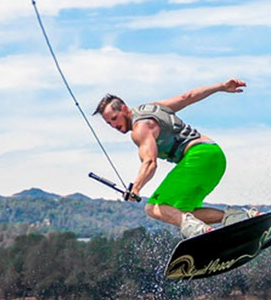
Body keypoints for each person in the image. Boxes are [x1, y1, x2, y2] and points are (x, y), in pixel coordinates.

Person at [93, 78, 258, 238]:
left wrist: (135, 188)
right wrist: (221, 86)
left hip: (198, 157)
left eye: (114, 119)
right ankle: (240, 217)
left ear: (124, 108)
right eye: (109, 124)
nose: (114, 126)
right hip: (215, 155)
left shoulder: (140, 129)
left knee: (153, 207)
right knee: (178, 212)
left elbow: (150, 162)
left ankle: (200, 232)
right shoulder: (153, 108)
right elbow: (187, 97)